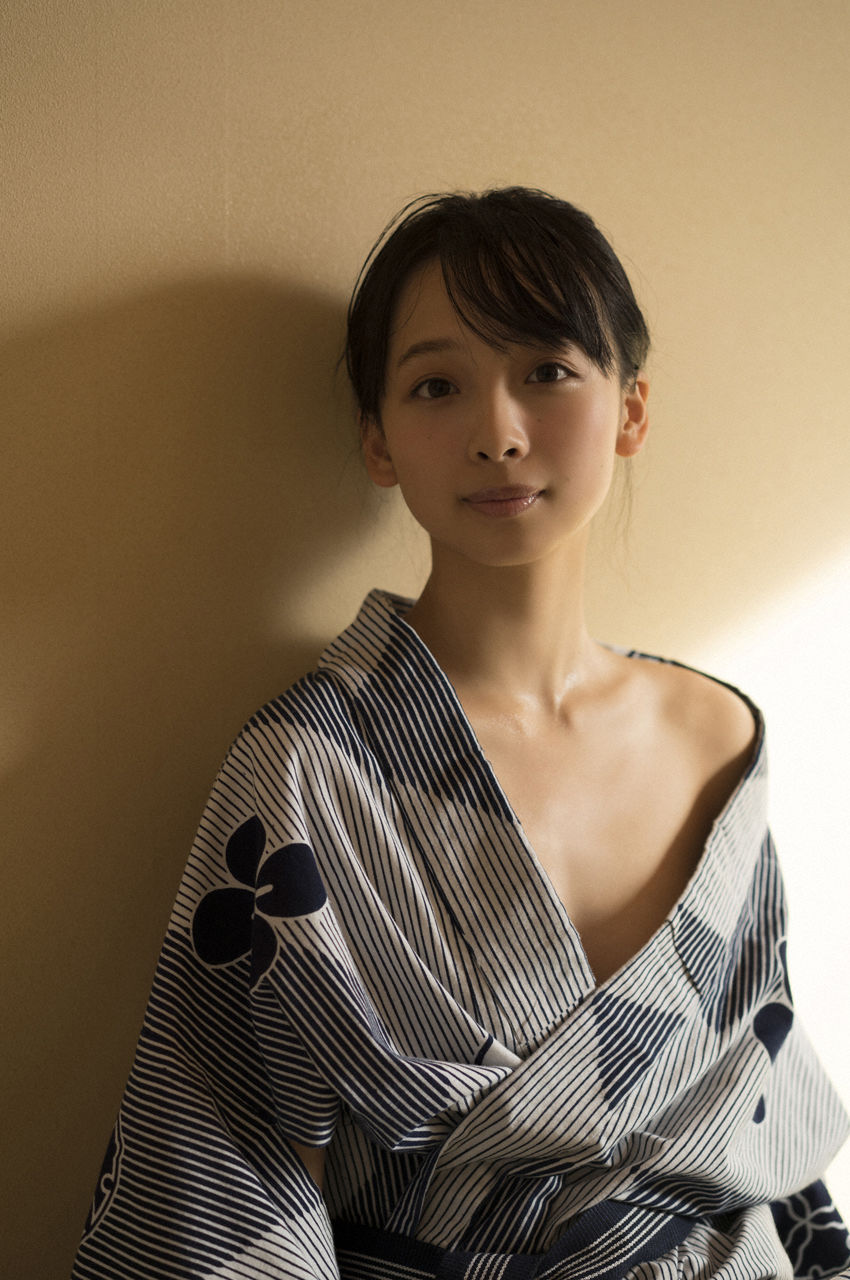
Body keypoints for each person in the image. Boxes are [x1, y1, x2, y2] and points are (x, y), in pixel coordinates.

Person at [72, 188, 850, 1279]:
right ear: (378, 440)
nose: (497, 434)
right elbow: (221, 1153)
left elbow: (756, 1110)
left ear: (630, 410)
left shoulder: (720, 737)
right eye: (437, 386)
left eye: (548, 371)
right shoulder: (309, 766)